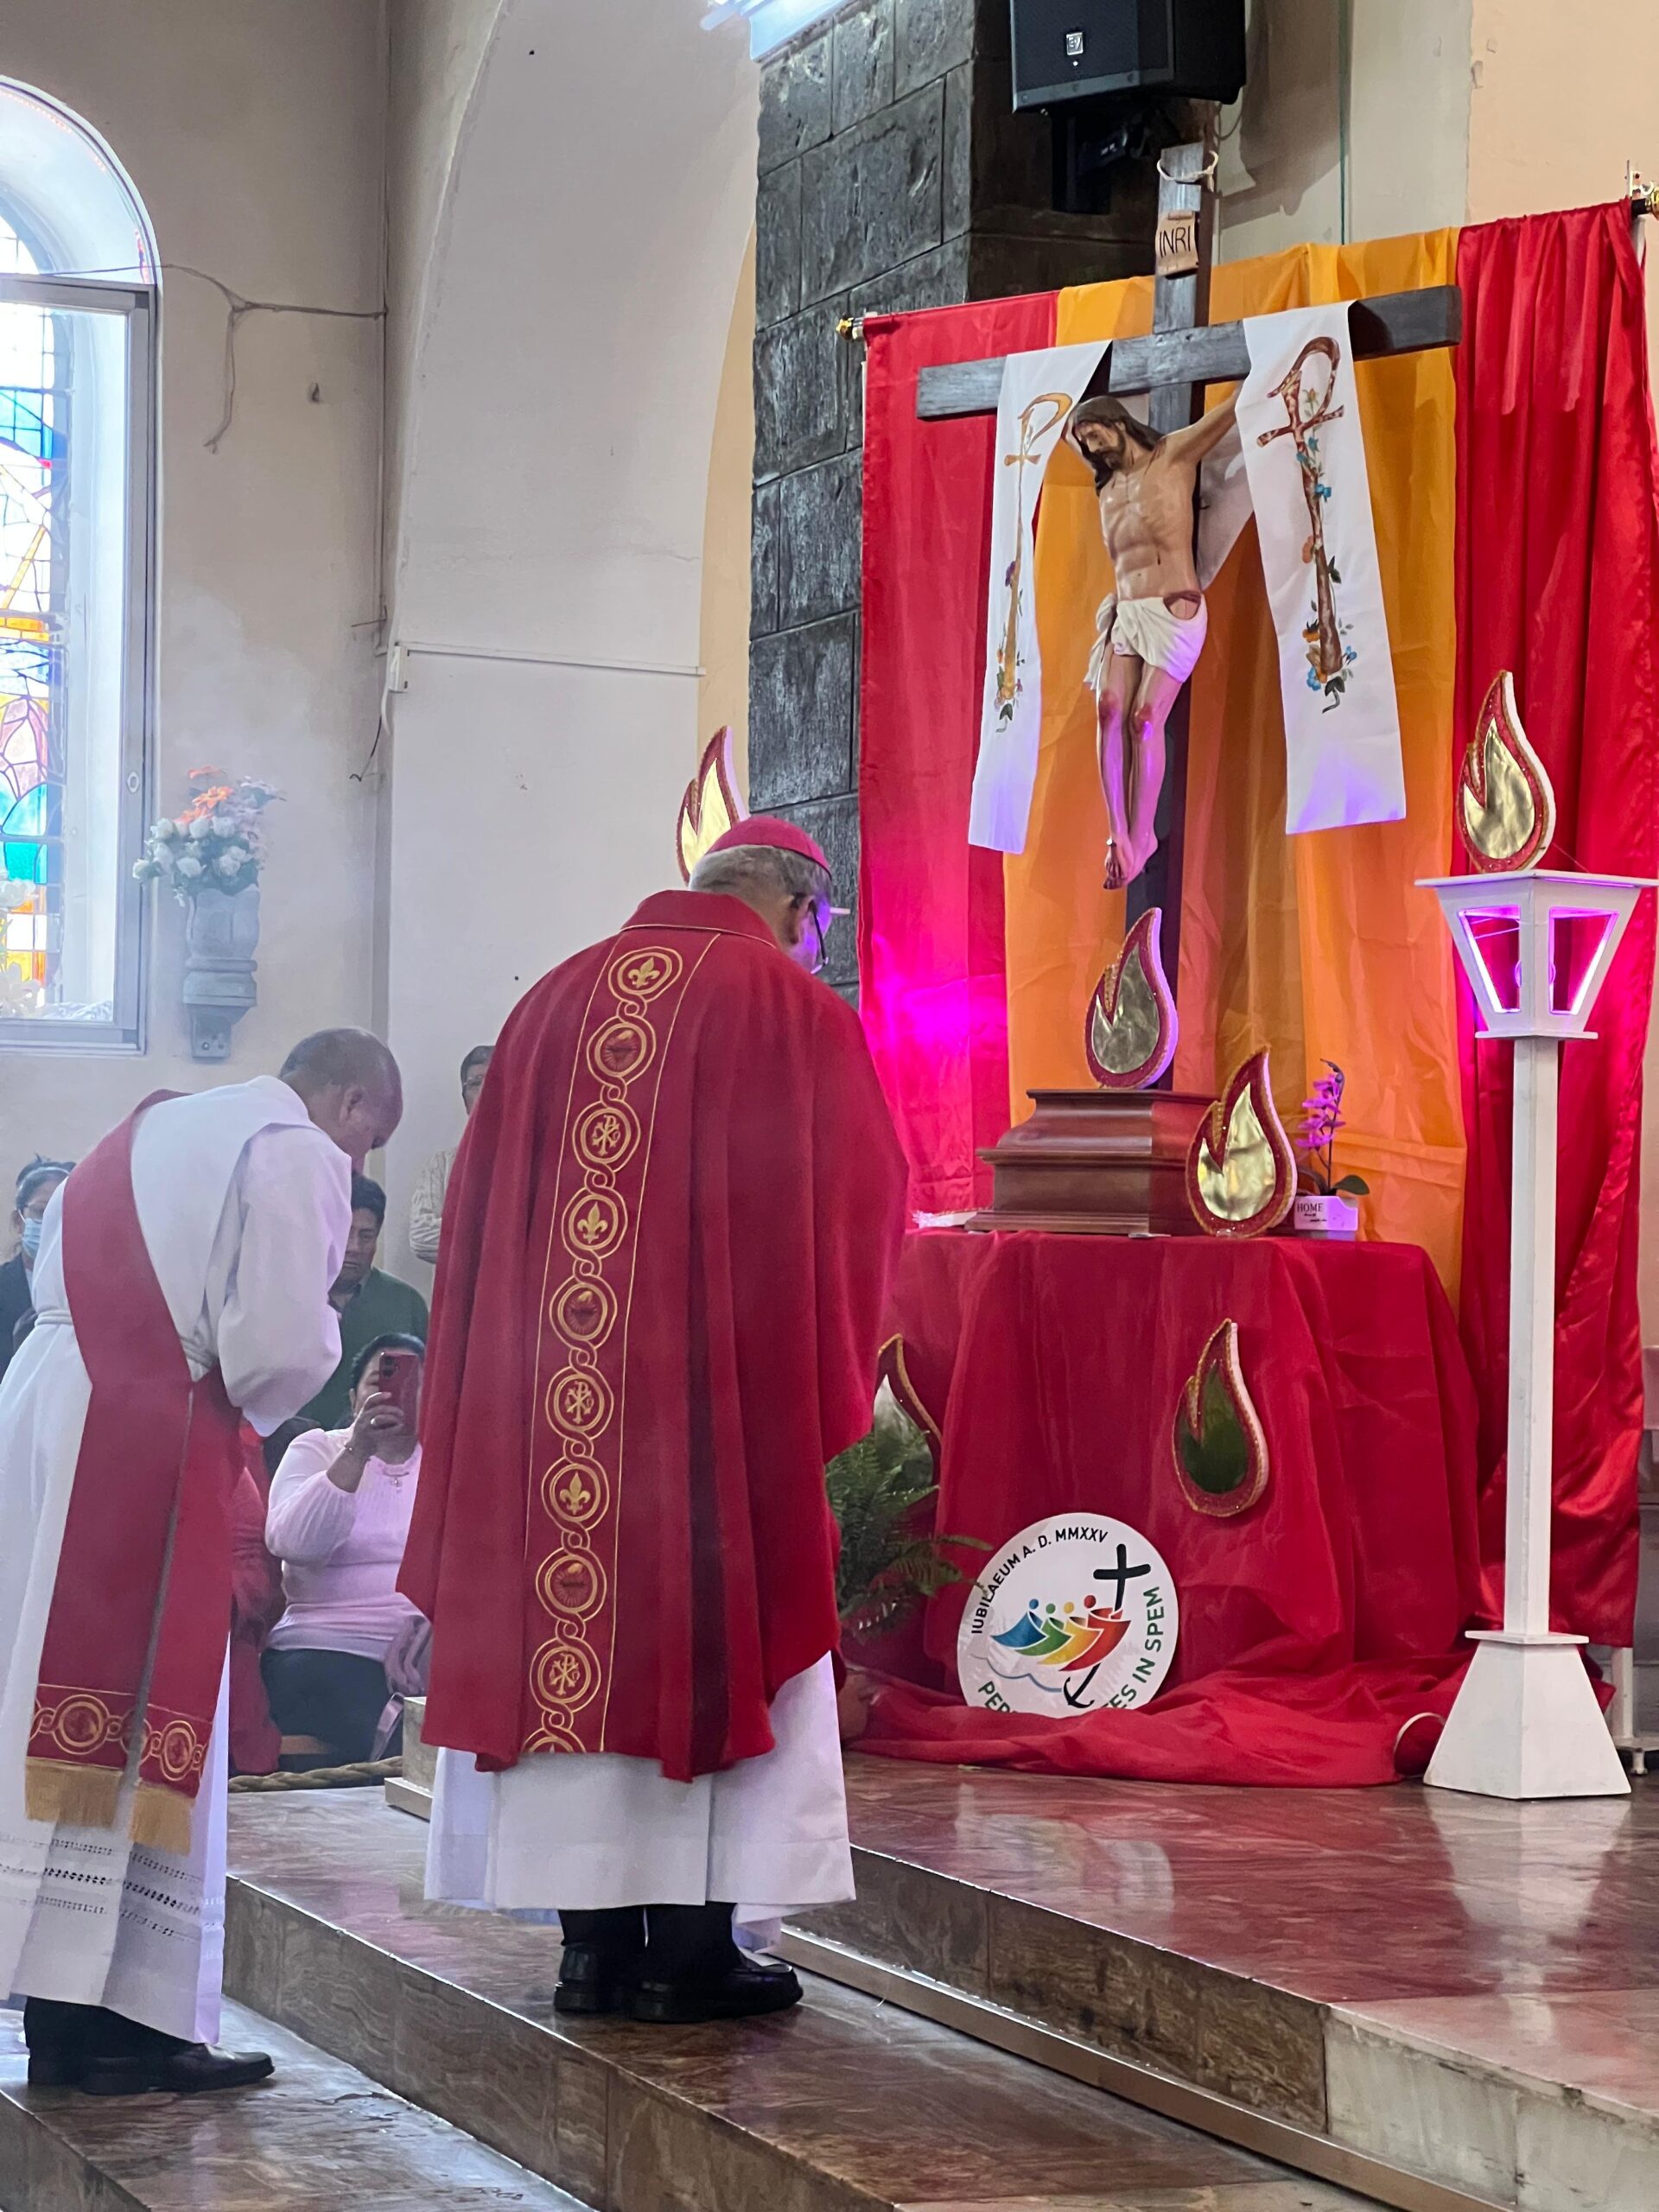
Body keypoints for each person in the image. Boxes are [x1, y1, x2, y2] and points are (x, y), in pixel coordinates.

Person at [404, 817, 907, 2027]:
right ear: (801, 906)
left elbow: (475, 1218)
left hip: (544, 1422)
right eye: (817, 929)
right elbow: (860, 1202)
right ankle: (691, 1957)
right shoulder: (787, 1009)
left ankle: (591, 1956)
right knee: (704, 1639)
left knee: (567, 1664)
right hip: (705, 1417)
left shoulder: (550, 1003)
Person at [0, 1027, 402, 2096]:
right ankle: (116, 2025)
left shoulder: (158, 1118)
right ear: (350, 1100)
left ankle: (65, 2014)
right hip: (139, 1434)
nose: (361, 1167)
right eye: (374, 1136)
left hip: (49, 1415)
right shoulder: (292, 1145)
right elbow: (275, 1347)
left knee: (51, 1709)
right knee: (137, 1727)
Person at [1065, 389, 1240, 889]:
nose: (1093, 449)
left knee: (1145, 719)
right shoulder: (1107, 488)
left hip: (1172, 606)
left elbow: (1229, 413)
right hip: (1127, 612)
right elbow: (1053, 428)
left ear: (1116, 423)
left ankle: (1143, 838)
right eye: (1085, 444)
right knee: (1108, 709)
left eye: (1095, 435)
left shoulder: (1174, 455)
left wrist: (1277, 353)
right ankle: (1117, 833)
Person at [263, 1333, 427, 1764]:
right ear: (354, 1397)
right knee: (354, 1699)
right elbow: (294, 1542)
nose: (394, 1395)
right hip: (327, 1645)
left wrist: (432, 1627)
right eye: (380, 1383)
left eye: (413, 1385)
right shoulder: (317, 1448)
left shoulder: (448, 1462)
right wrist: (359, 1450)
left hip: (427, 1647)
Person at [299, 1173, 429, 1430]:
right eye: (344, 1233)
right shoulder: (292, 1295)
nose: (353, 1247)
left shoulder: (406, 1304)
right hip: (287, 1448)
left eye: (366, 1236)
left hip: (381, 1450)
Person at [408, 1045, 493, 1266]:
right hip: (461, 1294)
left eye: (495, 1079)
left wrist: (459, 1232)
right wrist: (503, 1237)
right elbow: (421, 1237)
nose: (486, 1090)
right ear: (465, 1101)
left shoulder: (537, 1164)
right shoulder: (441, 1165)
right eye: (475, 1083)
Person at [0, 1158, 73, 1386]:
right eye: (42, 1211)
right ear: (19, 1221)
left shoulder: (90, 1291)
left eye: (64, 1212)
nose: (53, 1223)